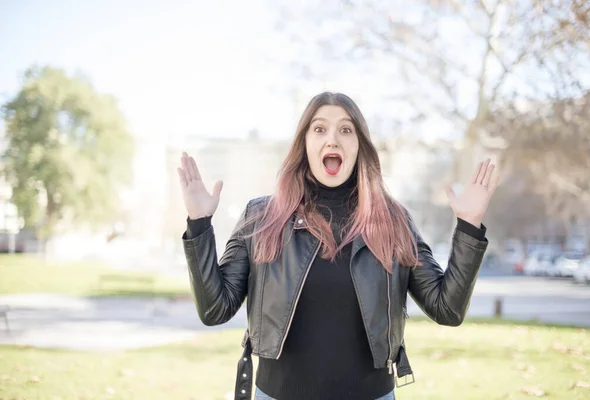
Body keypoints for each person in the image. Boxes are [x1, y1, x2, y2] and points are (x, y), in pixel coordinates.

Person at [178, 92, 498, 400]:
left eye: (346, 129)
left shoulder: (394, 220)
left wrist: (469, 226)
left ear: (360, 146)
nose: (332, 139)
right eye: (319, 129)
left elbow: (447, 309)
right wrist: (199, 224)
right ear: (305, 144)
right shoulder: (261, 216)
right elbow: (214, 310)